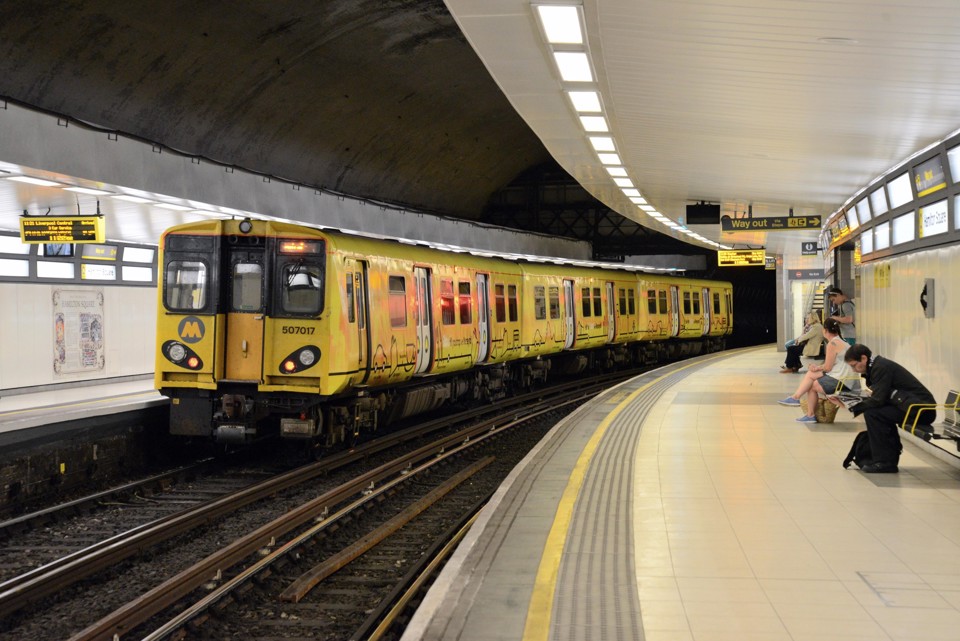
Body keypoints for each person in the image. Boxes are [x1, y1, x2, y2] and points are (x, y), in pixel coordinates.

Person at [843, 344, 936, 473]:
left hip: (921, 410)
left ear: (863, 358)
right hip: (909, 407)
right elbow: (880, 397)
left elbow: (878, 399)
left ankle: (884, 462)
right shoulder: (876, 366)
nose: (853, 370)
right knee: (875, 414)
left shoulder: (881, 367)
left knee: (873, 414)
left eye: (854, 365)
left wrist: (852, 407)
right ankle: (886, 459)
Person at [778, 318, 858, 422]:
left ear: (825, 330)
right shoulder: (842, 341)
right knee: (811, 375)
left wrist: (816, 367)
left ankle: (803, 407)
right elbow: (832, 365)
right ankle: (797, 399)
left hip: (842, 381)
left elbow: (828, 368)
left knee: (812, 384)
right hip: (847, 379)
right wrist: (816, 368)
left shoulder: (832, 344)